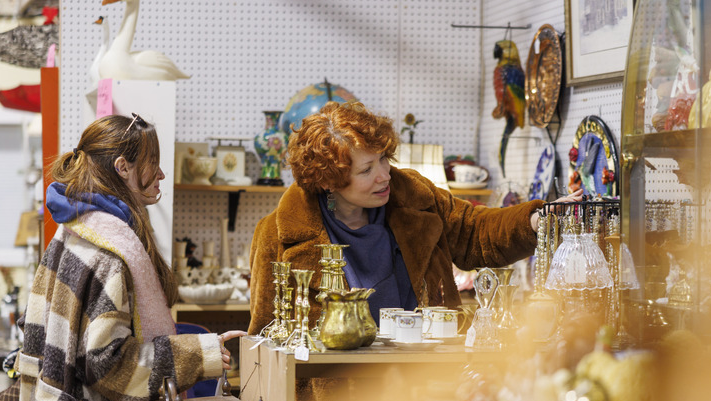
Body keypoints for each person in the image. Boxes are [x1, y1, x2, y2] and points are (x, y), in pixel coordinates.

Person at [248, 101, 582, 334]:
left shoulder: (414, 196)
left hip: (422, 383)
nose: (384, 175)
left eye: (383, 159)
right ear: (327, 181)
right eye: (366, 169)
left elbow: (474, 231)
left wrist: (537, 220)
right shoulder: (277, 234)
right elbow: (266, 329)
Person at [17, 113, 246, 401]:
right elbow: (109, 367)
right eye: (153, 163)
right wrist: (196, 354)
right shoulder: (110, 251)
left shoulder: (74, 227)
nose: (162, 174)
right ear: (123, 167)